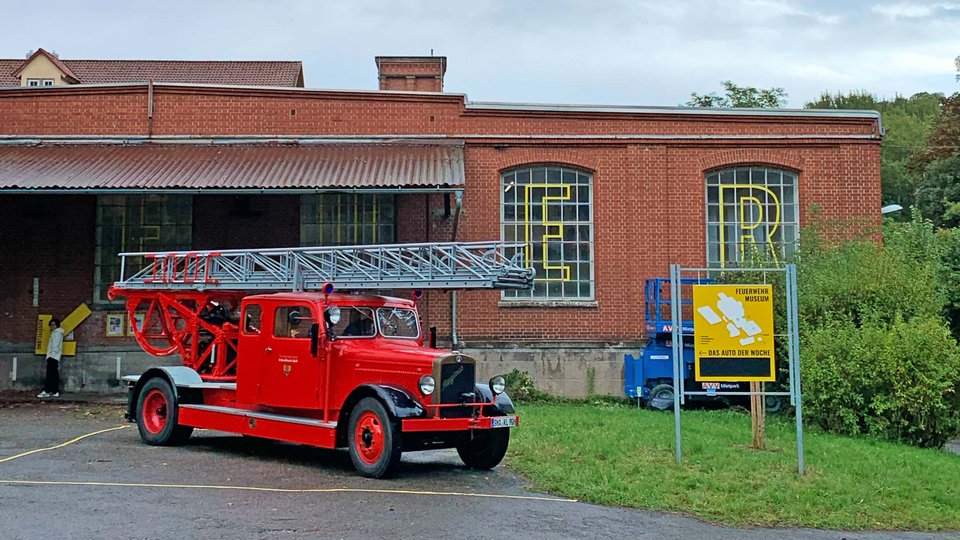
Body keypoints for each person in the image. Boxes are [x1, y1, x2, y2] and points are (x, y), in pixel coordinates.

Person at [38, 318, 64, 398]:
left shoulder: (56, 333)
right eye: (51, 325)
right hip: (54, 357)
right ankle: (53, 391)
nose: (52, 326)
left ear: (56, 325)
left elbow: (55, 346)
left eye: (53, 325)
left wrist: (51, 355)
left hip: (53, 357)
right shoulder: (56, 333)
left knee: (50, 375)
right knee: (53, 374)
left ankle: (48, 390)